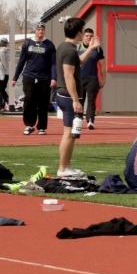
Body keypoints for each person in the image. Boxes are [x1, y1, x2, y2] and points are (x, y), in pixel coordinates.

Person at [49, 17, 88, 177]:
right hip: (67, 96)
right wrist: (75, 100)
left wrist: (91, 48)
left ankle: (66, 166)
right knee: (69, 133)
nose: (84, 33)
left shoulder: (64, 47)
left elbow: (78, 62)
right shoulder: (70, 50)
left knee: (70, 133)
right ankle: (63, 168)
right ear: (78, 32)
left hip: (62, 94)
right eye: (83, 31)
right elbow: (68, 75)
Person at [14, 22, 57, 135]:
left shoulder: (49, 45)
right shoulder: (27, 43)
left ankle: (42, 127)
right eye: (38, 29)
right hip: (29, 76)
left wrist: (53, 78)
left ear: (44, 31)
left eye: (42, 29)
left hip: (44, 77)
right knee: (29, 100)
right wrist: (15, 77)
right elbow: (21, 61)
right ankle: (29, 124)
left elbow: (53, 63)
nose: (40, 31)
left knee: (43, 102)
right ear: (35, 31)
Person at [76, 26, 106, 130]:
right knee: (80, 101)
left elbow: (102, 65)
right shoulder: (78, 48)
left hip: (92, 78)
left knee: (91, 101)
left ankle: (90, 121)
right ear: (83, 37)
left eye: (91, 36)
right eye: (87, 36)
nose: (89, 38)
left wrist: (103, 79)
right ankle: (78, 121)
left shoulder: (98, 49)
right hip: (79, 79)